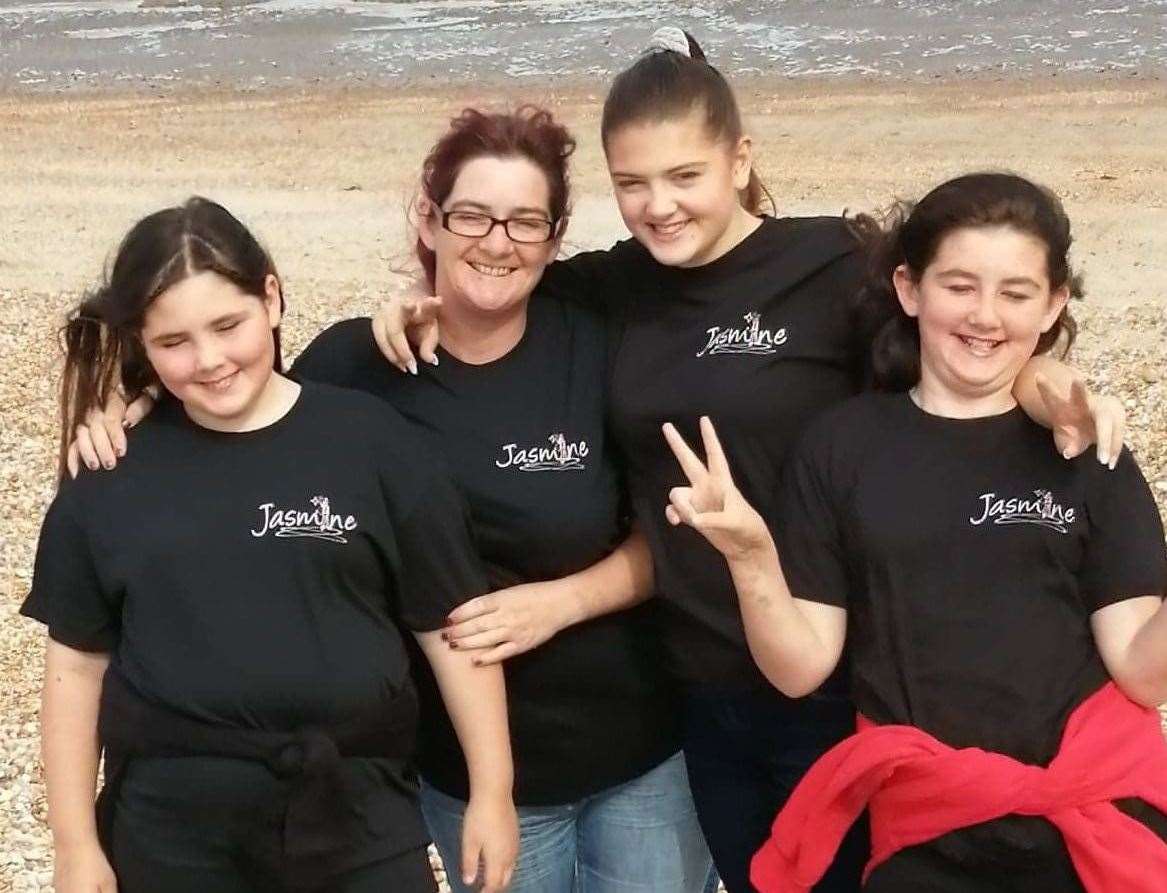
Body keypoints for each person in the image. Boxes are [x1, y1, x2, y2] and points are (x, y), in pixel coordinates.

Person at [366, 28, 1128, 893]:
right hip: (698, 688)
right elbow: (493, 278)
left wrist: (1043, 375)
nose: (659, 206)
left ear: (739, 160)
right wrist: (415, 304)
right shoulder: (613, 285)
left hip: (847, 678)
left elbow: (961, 339)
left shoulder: (833, 265)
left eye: (684, 176)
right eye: (631, 184)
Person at [62, 112, 716, 893]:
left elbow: (672, 521)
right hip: (423, 764)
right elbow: (237, 410)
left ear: (555, 234)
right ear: (428, 219)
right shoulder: (355, 366)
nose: (497, 240)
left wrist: (559, 604)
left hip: (631, 739)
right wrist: (136, 409)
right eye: (471, 214)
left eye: (524, 221)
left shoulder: (595, 333)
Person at [661, 172, 1167, 892]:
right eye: (958, 285)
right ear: (909, 288)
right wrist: (751, 557)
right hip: (925, 830)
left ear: (1053, 303)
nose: (984, 316)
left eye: (1015, 293)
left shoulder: (1084, 447)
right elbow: (800, 665)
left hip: (1092, 824)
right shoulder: (842, 445)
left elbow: (1143, 669)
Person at [22, 198, 518, 893]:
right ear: (141, 341)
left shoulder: (374, 442)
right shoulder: (111, 474)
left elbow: (450, 630)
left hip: (357, 816)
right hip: (171, 830)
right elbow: (76, 667)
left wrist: (491, 791)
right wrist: (75, 845)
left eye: (229, 325)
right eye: (174, 342)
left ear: (273, 298)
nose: (210, 360)